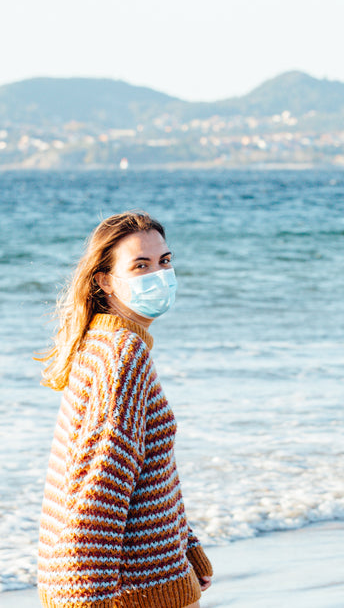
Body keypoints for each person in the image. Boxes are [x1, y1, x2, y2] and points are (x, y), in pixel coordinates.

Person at [37, 211, 212, 608]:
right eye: (140, 266)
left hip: (149, 580)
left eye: (164, 261)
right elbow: (98, 489)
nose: (159, 276)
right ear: (104, 280)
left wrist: (187, 549)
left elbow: (147, 472)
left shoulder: (102, 342)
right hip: (134, 595)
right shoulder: (122, 355)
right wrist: (89, 600)